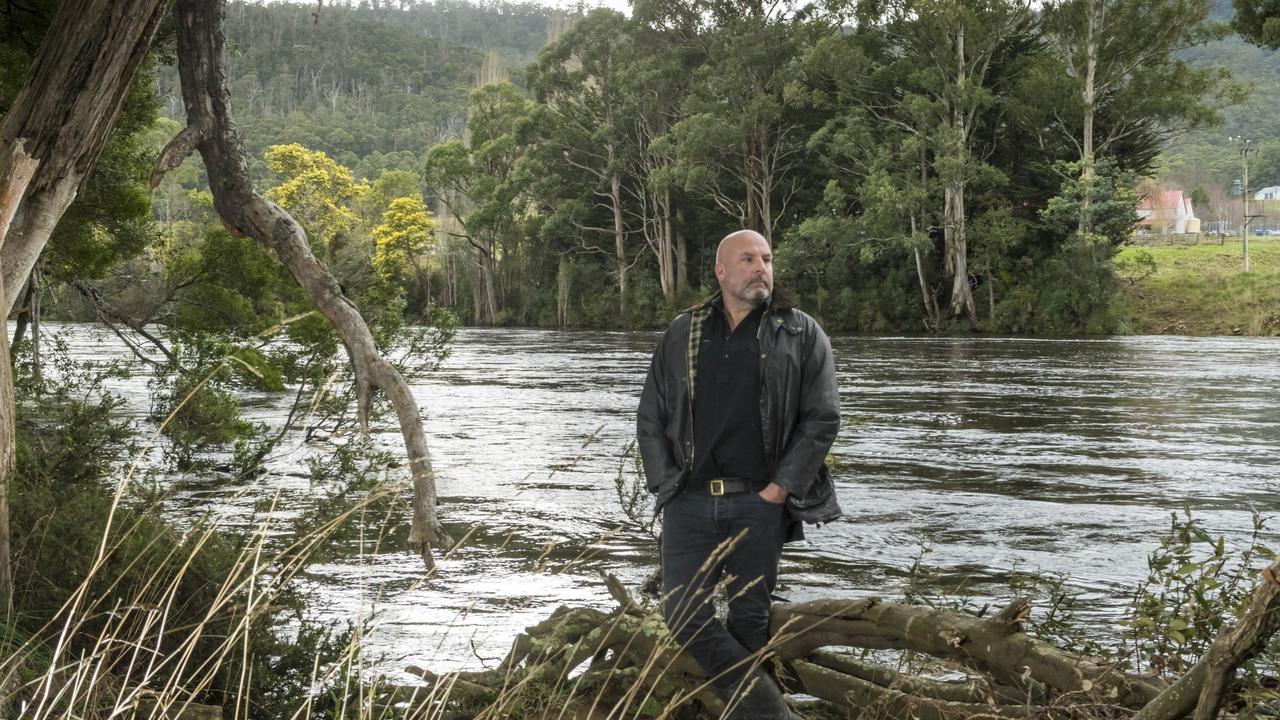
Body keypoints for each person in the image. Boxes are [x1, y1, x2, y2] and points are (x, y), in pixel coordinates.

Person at [635, 229, 841, 719]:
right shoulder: (683, 332)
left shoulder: (801, 332)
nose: (761, 268)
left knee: (750, 620)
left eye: (767, 259)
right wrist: (668, 486)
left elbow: (823, 417)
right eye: (748, 259)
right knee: (682, 615)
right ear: (721, 271)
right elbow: (650, 415)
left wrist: (779, 488)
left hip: (758, 500)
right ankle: (775, 716)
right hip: (690, 501)